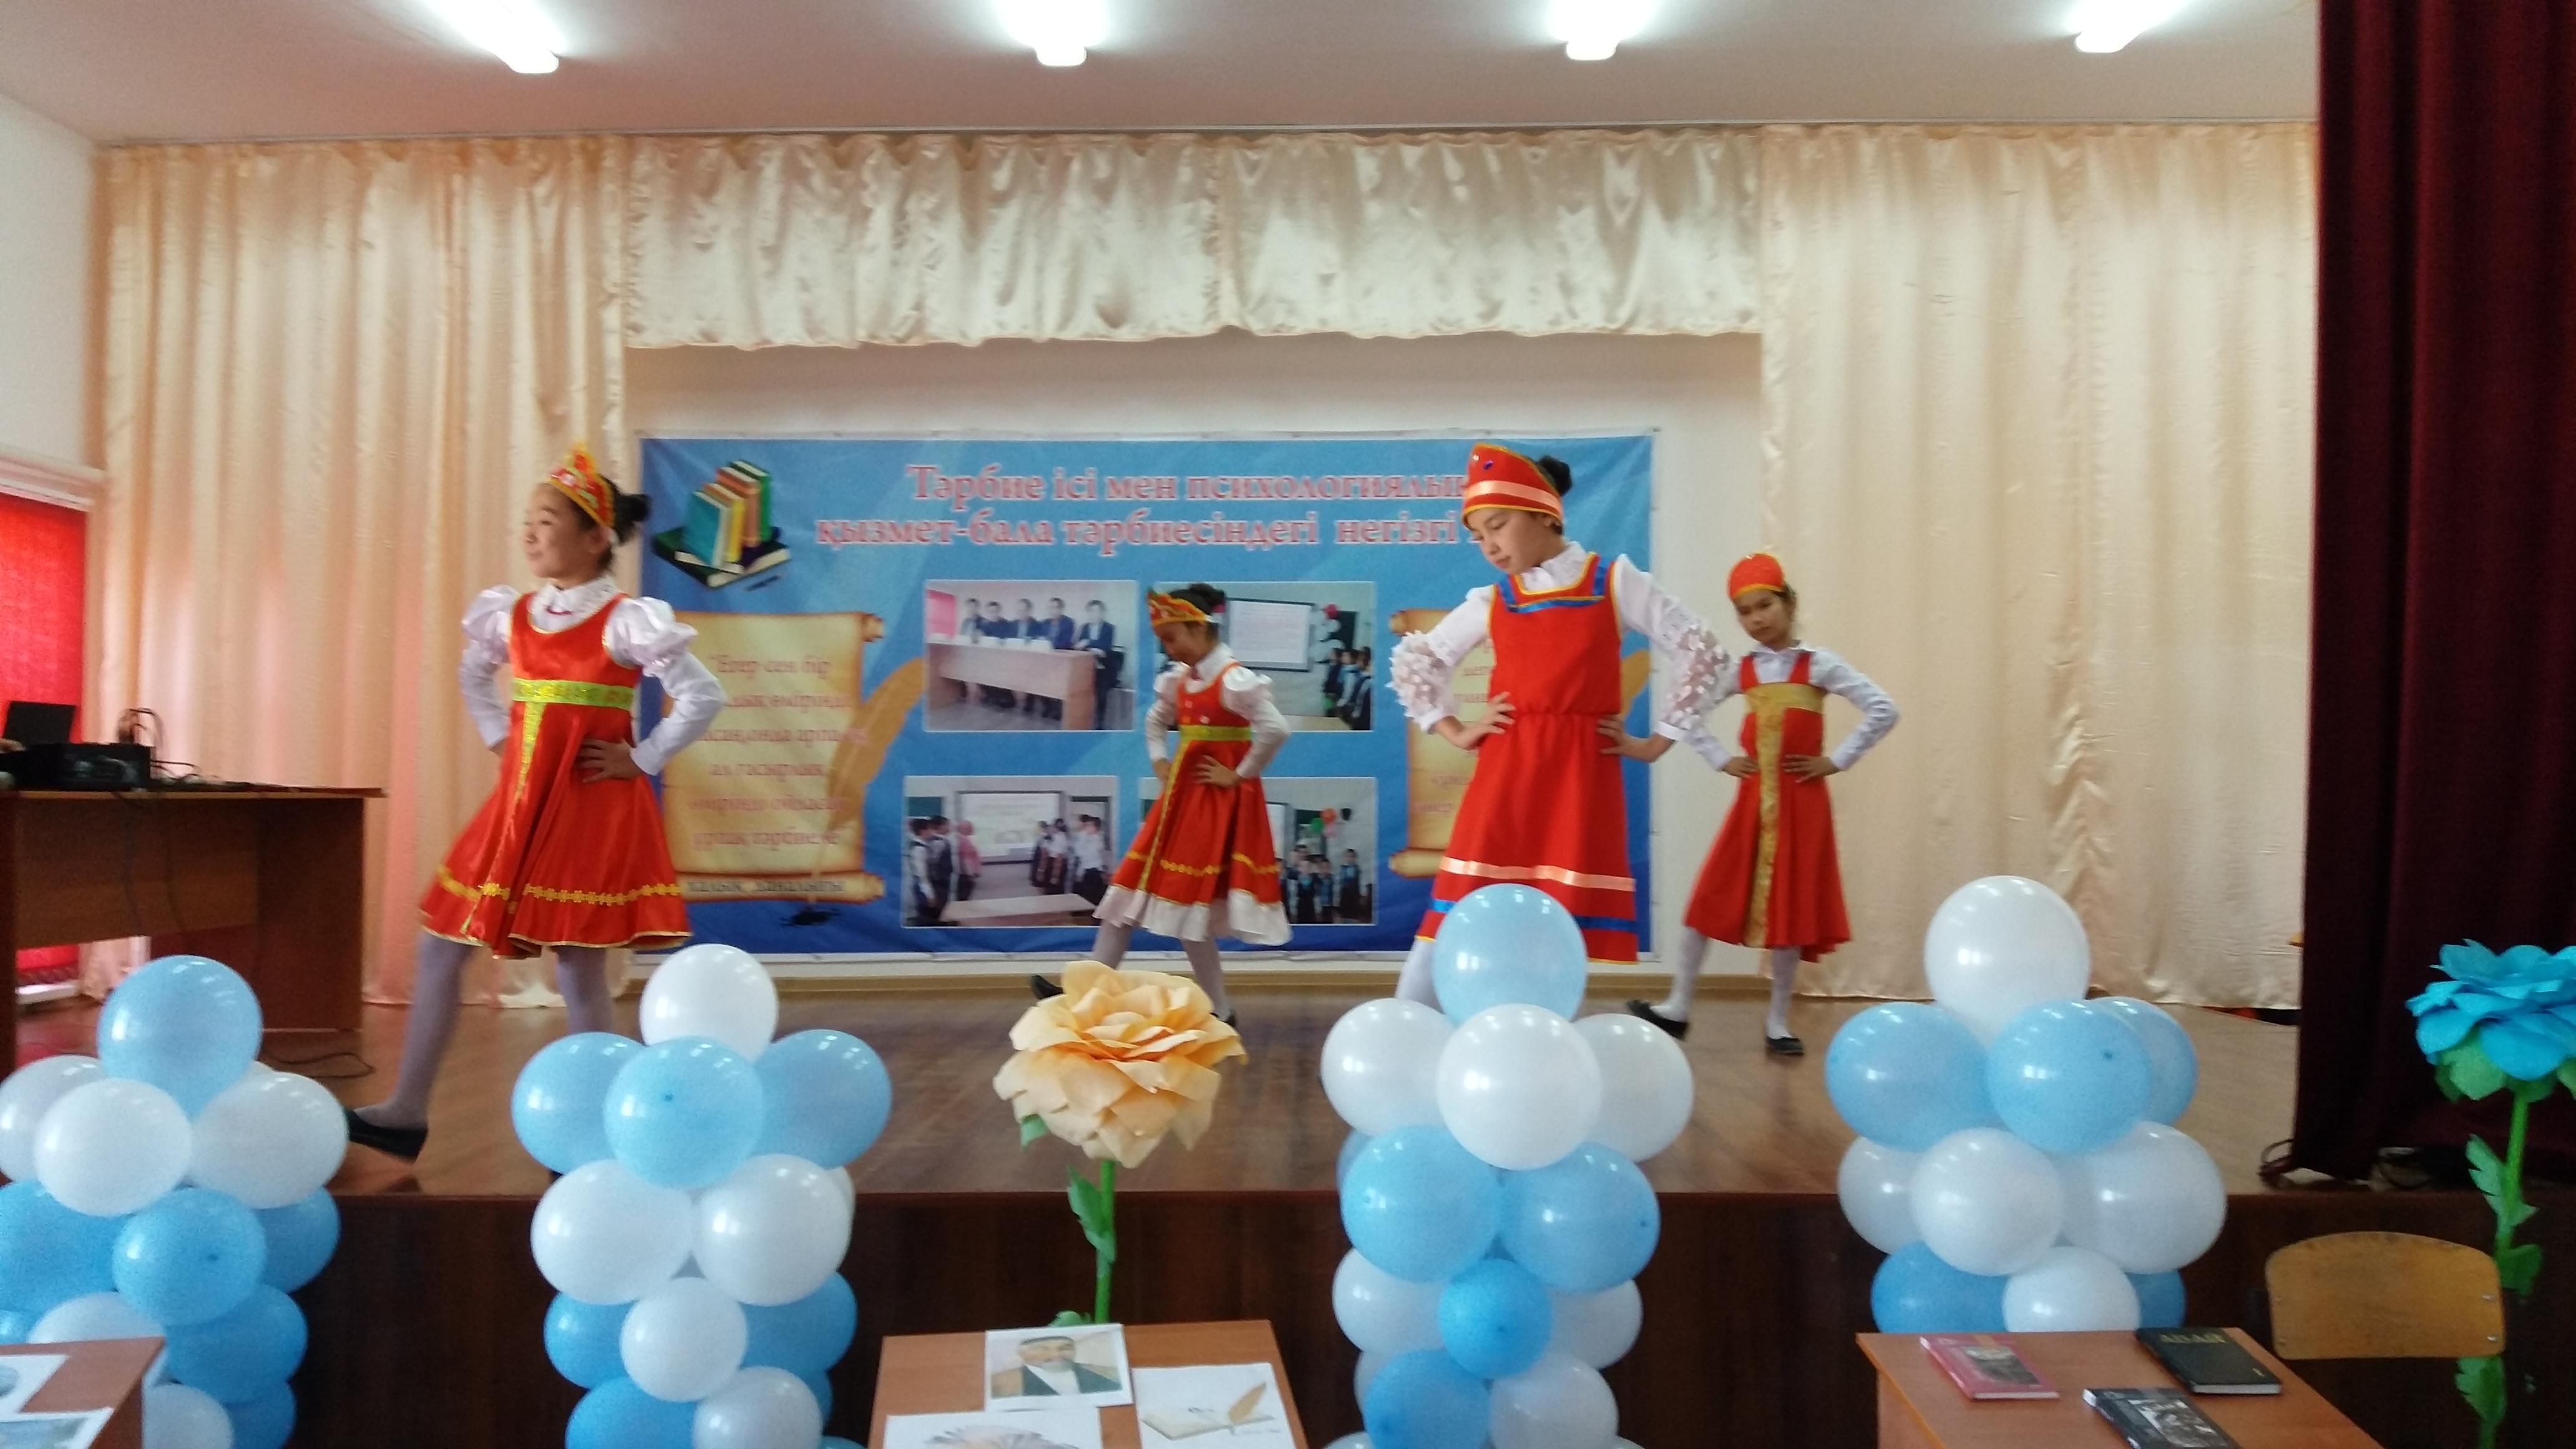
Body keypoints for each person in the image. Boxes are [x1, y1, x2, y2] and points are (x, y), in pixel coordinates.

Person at [347, 446, 726, 1161]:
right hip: (517, 808)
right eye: (528, 519)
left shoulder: (625, 620)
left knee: (578, 966)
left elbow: (704, 694)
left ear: (595, 538)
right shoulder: (512, 614)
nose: (530, 532)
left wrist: (642, 758)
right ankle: (405, 1110)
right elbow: (472, 676)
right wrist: (501, 737)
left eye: (546, 520)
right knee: (440, 944)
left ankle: (607, 1133)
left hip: (587, 811)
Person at [1389, 442, 1724, 1007]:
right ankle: (1406, 1024)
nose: (1489, 545)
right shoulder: (1494, 599)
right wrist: (1454, 730)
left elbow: (1700, 648)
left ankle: (1533, 1037)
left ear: (1545, 515)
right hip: (1507, 776)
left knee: (1555, 926)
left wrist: (1658, 741)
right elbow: (1418, 661)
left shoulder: (1613, 581)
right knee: (1455, 907)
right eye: (1478, 535)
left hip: (1579, 780)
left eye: (1498, 525)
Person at [1629, 552, 1898, 1054]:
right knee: (1707, 900)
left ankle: (1778, 1022)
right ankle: (1678, 1005)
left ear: (1789, 603)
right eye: (1745, 611)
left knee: (1789, 914)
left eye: (1765, 606)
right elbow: (1687, 712)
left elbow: (1883, 708)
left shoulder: (1819, 665)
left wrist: (1836, 760)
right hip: (1752, 805)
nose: (1756, 619)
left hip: (1802, 807)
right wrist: (1720, 758)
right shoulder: (1743, 670)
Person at [1033, 586, 1289, 1023]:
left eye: (1173, 638)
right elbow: (1155, 721)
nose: (1168, 649)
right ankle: (1081, 996)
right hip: (1179, 804)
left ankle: (1220, 1010)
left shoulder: (1233, 680)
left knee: (1191, 914)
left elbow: (1276, 729)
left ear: (1199, 628)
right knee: (1125, 898)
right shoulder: (1182, 680)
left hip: (1211, 811)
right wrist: (1158, 759)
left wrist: (1238, 774)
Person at [988, 1335, 1121, 1400]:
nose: (1056, 1355)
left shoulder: (1109, 1374)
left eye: (1065, 1348)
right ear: (1022, 1354)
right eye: (1042, 1349)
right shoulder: (998, 1384)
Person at [1074, 598, 1118, 728]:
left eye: (1096, 611)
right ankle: (1080, 716)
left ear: (1102, 613)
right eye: (1091, 611)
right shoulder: (1084, 627)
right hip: (1085, 666)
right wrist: (1094, 647)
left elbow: (1106, 647)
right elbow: (1078, 646)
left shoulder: (1109, 628)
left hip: (1103, 667)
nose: (1093, 614)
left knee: (1101, 692)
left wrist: (1089, 642)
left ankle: (1100, 719)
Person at [908, 818, 940, 925]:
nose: (932, 832)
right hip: (922, 886)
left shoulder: (921, 846)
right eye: (930, 829)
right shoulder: (919, 849)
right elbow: (922, 875)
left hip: (922, 884)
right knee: (926, 915)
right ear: (923, 831)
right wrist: (929, 894)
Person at [1071, 814, 1108, 904]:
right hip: (1086, 871)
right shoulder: (1088, 838)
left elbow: (1082, 854)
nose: (1086, 828)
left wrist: (1083, 836)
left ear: (1095, 827)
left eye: (1089, 826)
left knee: (1092, 896)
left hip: (1093, 871)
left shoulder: (1097, 840)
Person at [925, 815, 957, 920]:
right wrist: (936, 878)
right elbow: (932, 862)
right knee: (940, 904)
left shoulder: (942, 840)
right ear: (941, 826)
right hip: (939, 879)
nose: (949, 828)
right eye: (947, 825)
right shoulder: (937, 842)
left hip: (942, 878)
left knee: (943, 902)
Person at [954, 819, 982, 902]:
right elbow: (966, 859)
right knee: (964, 898)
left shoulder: (963, 839)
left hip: (965, 874)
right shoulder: (963, 840)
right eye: (970, 828)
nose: (972, 829)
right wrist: (970, 874)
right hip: (966, 874)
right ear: (964, 829)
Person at [1338, 847, 1369, 922]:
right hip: (1344, 895)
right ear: (1345, 858)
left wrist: (1363, 894)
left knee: (1354, 915)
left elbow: (1362, 882)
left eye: (1352, 857)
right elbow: (1338, 883)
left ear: (1355, 858)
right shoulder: (1342, 869)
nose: (1350, 859)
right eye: (1348, 856)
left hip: (1355, 895)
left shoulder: (1358, 869)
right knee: (1344, 915)